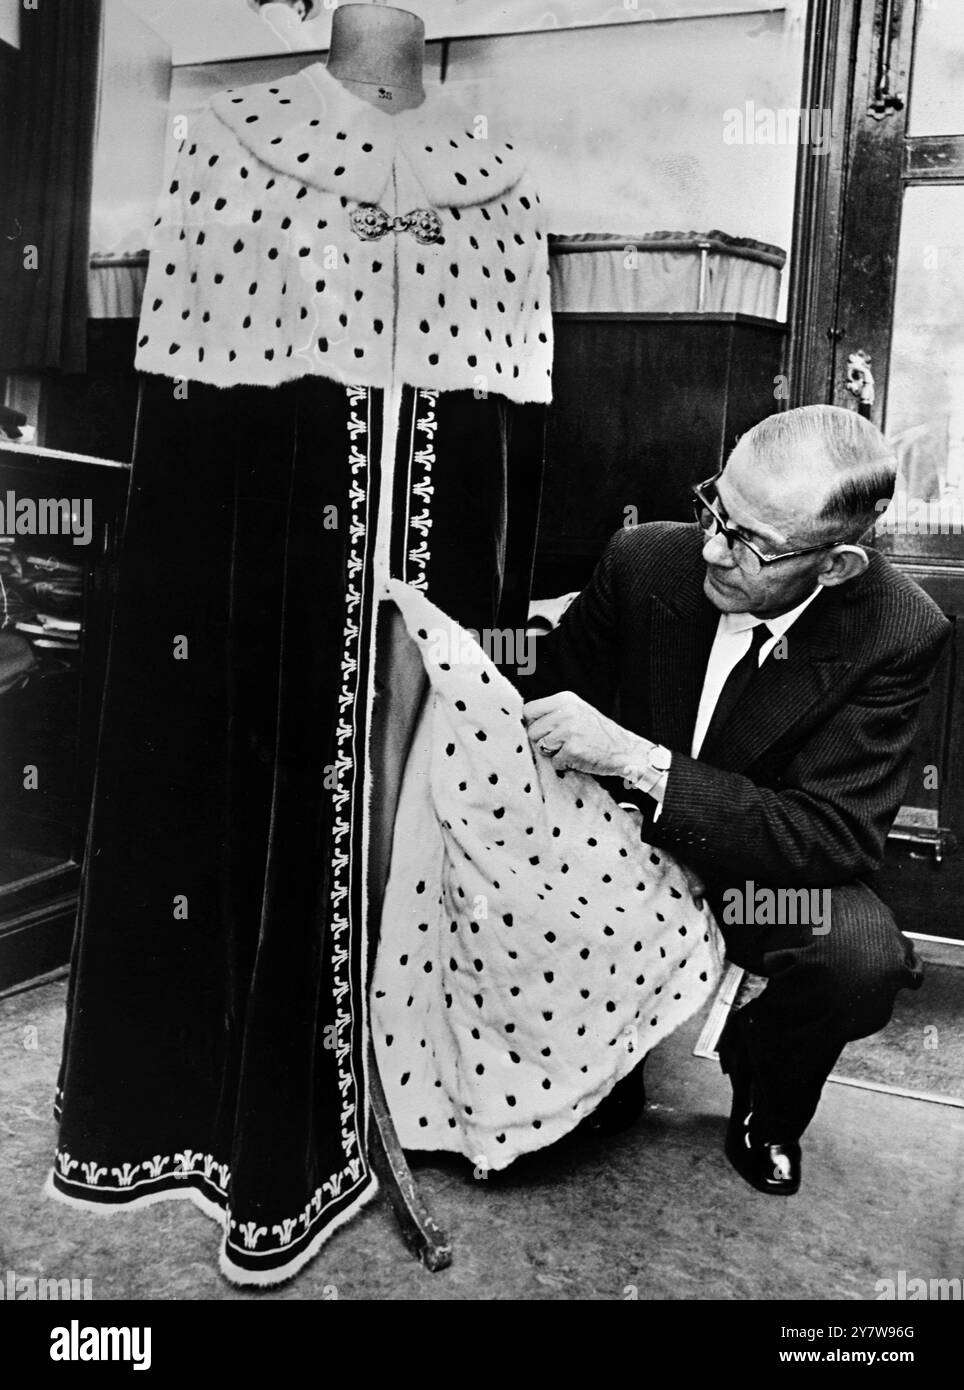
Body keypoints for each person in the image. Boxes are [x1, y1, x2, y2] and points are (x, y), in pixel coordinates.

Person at [519, 404, 950, 1195]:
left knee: (858, 957)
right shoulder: (644, 559)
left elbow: (833, 836)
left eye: (750, 542)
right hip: (614, 848)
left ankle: (766, 1094)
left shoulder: (898, 631)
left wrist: (646, 766)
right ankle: (602, 1070)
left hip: (754, 886)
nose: (713, 547)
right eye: (716, 506)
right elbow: (547, 698)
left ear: (837, 567)